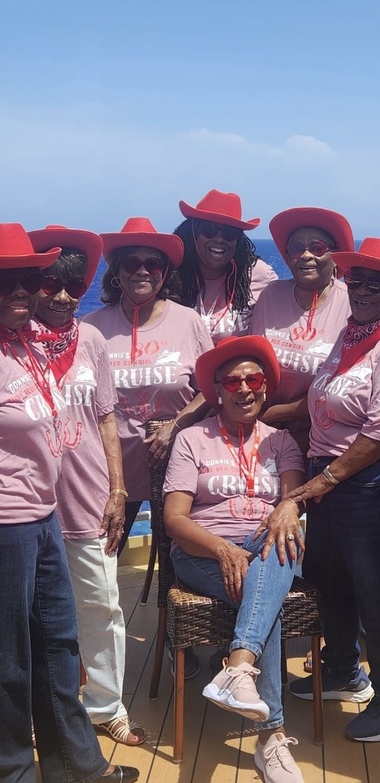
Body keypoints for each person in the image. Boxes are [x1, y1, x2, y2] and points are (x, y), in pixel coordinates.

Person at [0, 222, 138, 783]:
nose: (20, 292)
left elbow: (95, 410)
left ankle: (76, 765)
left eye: (26, 281)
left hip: (45, 516)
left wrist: (115, 487)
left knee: (58, 644)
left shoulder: (26, 343)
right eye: (4, 281)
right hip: (6, 524)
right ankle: (14, 771)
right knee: (9, 659)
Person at [287, 238, 380, 743]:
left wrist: (323, 482)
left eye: (379, 283)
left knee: (377, 588)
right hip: (335, 478)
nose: (365, 289)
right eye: (358, 281)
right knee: (329, 577)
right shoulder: (352, 335)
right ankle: (344, 670)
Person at [163, 336, 306, 783]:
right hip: (204, 552)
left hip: (267, 547)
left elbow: (293, 500)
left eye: (254, 379)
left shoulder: (282, 442)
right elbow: (173, 519)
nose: (244, 388)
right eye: (233, 381)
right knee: (267, 597)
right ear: (218, 391)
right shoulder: (191, 439)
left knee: (278, 548)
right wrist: (224, 549)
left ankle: (239, 667)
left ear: (265, 388)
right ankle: (272, 739)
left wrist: (287, 511)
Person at [29, 226, 145, 747]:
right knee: (31, 613)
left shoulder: (92, 339)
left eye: (74, 287)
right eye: (50, 284)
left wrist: (118, 491)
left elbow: (105, 420)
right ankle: (42, 707)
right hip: (24, 501)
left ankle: (105, 705)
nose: (61, 297)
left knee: (102, 605)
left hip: (87, 496)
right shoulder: (12, 341)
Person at [84, 217, 213, 555]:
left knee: (178, 566)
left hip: (177, 469)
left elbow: (212, 390)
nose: (142, 271)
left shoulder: (189, 322)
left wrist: (177, 424)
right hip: (111, 476)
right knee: (103, 562)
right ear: (117, 270)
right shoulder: (91, 327)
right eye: (132, 262)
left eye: (152, 263)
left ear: (164, 272)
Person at [250, 206, 353, 454]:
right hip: (263, 434)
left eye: (317, 248)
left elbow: (345, 389)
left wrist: (275, 414)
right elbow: (253, 362)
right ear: (287, 256)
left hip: (322, 441)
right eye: (297, 248)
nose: (306, 255)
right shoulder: (272, 295)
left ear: (335, 255)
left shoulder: (352, 303)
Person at [175, 189, 277, 342]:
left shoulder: (257, 273)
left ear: (238, 241)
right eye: (210, 230)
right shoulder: (174, 274)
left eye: (229, 233)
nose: (219, 239)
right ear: (193, 232)